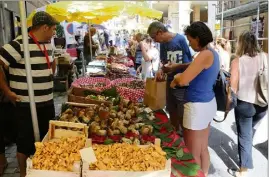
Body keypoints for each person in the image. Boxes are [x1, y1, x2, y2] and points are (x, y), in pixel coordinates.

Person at [0, 11, 58, 177]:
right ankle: (24, 174)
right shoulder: (19, 44)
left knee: (46, 138)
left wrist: (49, 73)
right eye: (53, 29)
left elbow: (52, 60)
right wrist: (7, 91)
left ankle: (41, 170)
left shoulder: (49, 43)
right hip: (25, 103)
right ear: (44, 27)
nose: (54, 33)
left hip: (47, 101)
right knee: (25, 142)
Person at [170, 21, 219, 176]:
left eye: (190, 40)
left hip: (197, 107)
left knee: (192, 154)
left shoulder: (205, 54)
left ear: (198, 38)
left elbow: (184, 80)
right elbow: (194, 69)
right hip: (208, 103)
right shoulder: (212, 53)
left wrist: (176, 78)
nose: (190, 44)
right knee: (203, 148)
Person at [230, 31, 268, 177]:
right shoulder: (265, 57)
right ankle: (247, 150)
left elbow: (233, 86)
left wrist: (228, 104)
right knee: (250, 130)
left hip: (245, 103)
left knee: (244, 134)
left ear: (241, 43)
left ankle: (243, 170)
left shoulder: (237, 61)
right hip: (263, 102)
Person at [147, 21, 193, 132]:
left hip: (181, 84)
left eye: (154, 37)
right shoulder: (162, 44)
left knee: (182, 113)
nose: (154, 41)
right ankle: (174, 133)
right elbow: (164, 61)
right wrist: (161, 70)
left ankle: (184, 136)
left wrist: (176, 66)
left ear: (160, 32)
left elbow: (190, 63)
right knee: (171, 110)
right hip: (169, 82)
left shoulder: (180, 39)